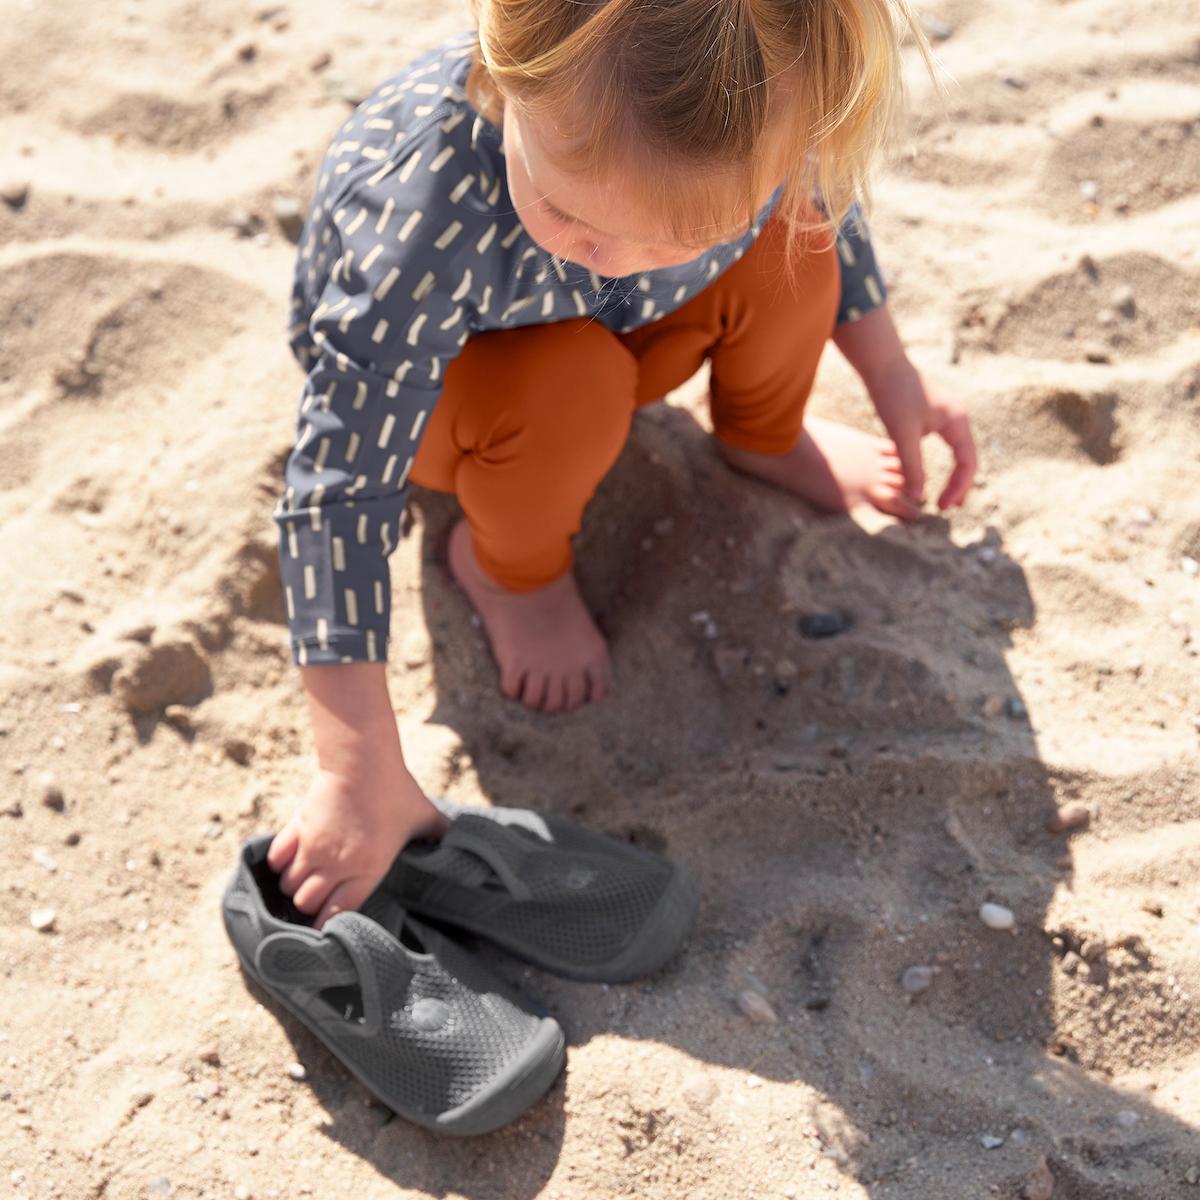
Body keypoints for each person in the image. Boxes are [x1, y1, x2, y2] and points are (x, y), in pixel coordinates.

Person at [266, 0, 977, 928]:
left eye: (682, 235)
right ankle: (509, 573)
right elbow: (337, 488)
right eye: (567, 212)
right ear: (503, 66)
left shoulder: (767, 117)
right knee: (570, 379)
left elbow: (822, 201)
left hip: (627, 348)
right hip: (464, 403)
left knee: (786, 239)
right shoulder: (420, 214)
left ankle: (763, 435)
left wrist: (887, 364)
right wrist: (353, 764)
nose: (621, 265)